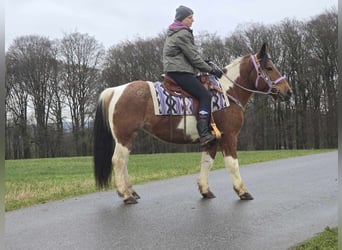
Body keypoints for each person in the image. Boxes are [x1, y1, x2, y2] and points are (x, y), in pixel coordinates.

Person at [162, 5, 223, 147]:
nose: (192, 20)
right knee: (205, 96)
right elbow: (193, 58)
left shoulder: (175, 32)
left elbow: (190, 56)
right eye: (190, 17)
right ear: (182, 19)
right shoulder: (182, 33)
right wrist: (212, 70)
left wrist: (204, 63)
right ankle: (204, 134)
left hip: (176, 69)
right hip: (180, 72)